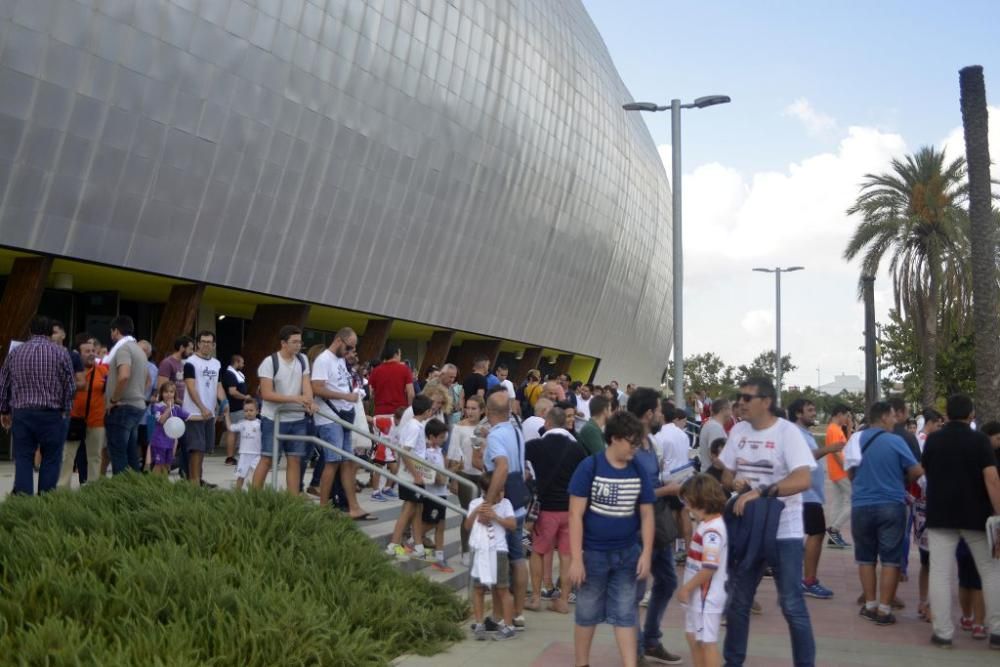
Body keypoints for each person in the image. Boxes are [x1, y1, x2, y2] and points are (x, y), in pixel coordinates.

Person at [719, 376, 816, 667]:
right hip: (748, 530)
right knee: (738, 602)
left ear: (766, 401)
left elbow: (803, 479)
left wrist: (761, 492)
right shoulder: (738, 431)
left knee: (791, 603)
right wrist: (735, 484)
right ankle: (732, 662)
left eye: (747, 398)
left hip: (784, 529)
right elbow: (724, 472)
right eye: (739, 397)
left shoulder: (787, 433)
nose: (740, 403)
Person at [567, 410, 654, 667]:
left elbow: (647, 515)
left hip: (627, 554)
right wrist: (575, 559)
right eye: (631, 442)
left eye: (638, 443)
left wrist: (646, 553)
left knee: (626, 613)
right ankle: (582, 663)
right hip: (593, 555)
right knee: (587, 613)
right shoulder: (590, 466)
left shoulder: (638, 469)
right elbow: (575, 514)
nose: (635, 449)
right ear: (615, 438)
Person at [922, 394, 1000, 649]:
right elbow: (991, 478)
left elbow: (927, 471)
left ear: (947, 414)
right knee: (990, 571)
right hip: (976, 516)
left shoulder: (933, 440)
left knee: (941, 573)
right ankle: (997, 631)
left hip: (940, 514)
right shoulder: (979, 441)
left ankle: (942, 633)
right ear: (971, 414)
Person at [843, 401, 923, 625]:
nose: (895, 420)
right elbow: (916, 471)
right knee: (890, 559)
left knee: (865, 558)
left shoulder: (856, 439)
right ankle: (885, 610)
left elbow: (849, 473)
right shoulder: (896, 441)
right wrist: (901, 480)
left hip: (861, 506)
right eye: (892, 416)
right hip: (891, 505)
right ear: (885, 417)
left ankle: (869, 605)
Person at [627, 389, 682, 665]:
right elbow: (635, 491)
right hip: (637, 529)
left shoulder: (650, 442)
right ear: (649, 413)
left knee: (668, 580)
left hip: (656, 525)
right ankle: (636, 649)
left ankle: (650, 640)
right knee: (635, 592)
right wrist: (667, 490)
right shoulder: (632, 445)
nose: (662, 414)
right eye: (659, 409)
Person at [0, 315, 75, 494]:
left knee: (23, 458)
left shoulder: (16, 353)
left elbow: (4, 383)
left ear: (30, 331)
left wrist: (4, 410)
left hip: (23, 413)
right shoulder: (61, 353)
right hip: (52, 414)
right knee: (51, 459)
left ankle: (24, 504)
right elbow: (70, 386)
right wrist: (65, 409)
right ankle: (45, 502)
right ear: (51, 332)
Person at [524, 406, 587, 614]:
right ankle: (562, 600)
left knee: (538, 551)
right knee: (567, 555)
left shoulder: (535, 446)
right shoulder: (577, 449)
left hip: (547, 509)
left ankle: (535, 597)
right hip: (571, 510)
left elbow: (522, 466)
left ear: (547, 423)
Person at [312, 328, 373, 519]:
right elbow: (317, 388)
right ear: (339, 340)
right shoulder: (324, 360)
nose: (350, 351)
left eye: (353, 348)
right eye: (349, 347)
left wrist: (351, 396)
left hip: (343, 415)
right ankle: (323, 507)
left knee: (346, 462)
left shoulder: (339, 360)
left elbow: (340, 384)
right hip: (330, 417)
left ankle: (353, 506)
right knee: (333, 462)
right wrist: (345, 395)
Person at [787, 398, 845, 600]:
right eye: (809, 410)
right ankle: (808, 580)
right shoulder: (795, 433)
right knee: (817, 533)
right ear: (797, 414)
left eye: (814, 409)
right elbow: (805, 456)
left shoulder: (804, 433)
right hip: (804, 494)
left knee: (808, 535)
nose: (814, 413)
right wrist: (829, 449)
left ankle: (800, 576)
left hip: (809, 494)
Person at [482, 390, 530, 631]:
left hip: (503, 507)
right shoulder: (515, 430)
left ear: (488, 412)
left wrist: (488, 503)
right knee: (518, 558)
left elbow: (501, 467)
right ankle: (518, 614)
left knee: (499, 562)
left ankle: (499, 615)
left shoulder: (495, 436)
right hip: (518, 505)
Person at [252, 325, 315, 493]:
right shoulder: (270, 361)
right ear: (283, 343)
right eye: (294, 342)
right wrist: (296, 398)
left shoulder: (302, 360)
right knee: (267, 458)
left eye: (300, 342)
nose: (298, 345)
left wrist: (309, 400)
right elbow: (266, 394)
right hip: (273, 418)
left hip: (297, 418)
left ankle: (292, 500)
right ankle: (252, 498)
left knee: (295, 460)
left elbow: (306, 384)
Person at [678, 474, 729, 667]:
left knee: (707, 642)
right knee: (693, 636)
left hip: (707, 596)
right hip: (699, 596)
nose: (687, 507)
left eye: (689, 502)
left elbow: (709, 567)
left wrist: (686, 588)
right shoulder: (707, 525)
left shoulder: (713, 530)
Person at [467, 470, 517, 642]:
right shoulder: (475, 503)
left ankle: (509, 625)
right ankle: (479, 623)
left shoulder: (506, 504)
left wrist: (495, 517)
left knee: (502, 588)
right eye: (498, 490)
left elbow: (512, 525)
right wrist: (477, 512)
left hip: (499, 550)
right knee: (479, 588)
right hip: (482, 551)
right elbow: (467, 525)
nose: (502, 493)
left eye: (503, 489)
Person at [386, 394, 433, 559]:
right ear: (427, 411)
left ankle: (418, 546)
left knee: (417, 510)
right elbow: (406, 452)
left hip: (413, 474)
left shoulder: (411, 425)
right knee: (408, 511)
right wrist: (416, 476)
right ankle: (393, 544)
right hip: (413, 476)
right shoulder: (415, 427)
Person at [58, 334, 108, 489]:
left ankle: (93, 487)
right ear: (78, 354)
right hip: (74, 418)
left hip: (97, 420)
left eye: (93, 350)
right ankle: (62, 489)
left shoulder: (104, 370)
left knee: (95, 456)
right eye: (87, 351)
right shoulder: (70, 371)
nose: (92, 353)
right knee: (67, 456)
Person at [104, 316, 148, 474]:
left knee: (118, 454)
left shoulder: (123, 349)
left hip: (123, 407)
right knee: (131, 455)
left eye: (112, 331)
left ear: (116, 331)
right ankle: (133, 490)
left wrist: (113, 399)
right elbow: (148, 379)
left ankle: (120, 492)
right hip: (138, 405)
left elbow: (124, 375)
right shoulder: (139, 350)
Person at [180, 331, 225, 485]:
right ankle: (193, 483)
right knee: (196, 449)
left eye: (209, 342)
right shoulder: (190, 362)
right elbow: (191, 388)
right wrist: (202, 407)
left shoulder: (216, 363)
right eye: (203, 341)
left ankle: (198, 479)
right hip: (194, 413)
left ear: (213, 345)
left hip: (209, 413)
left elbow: (218, 386)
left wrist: (224, 403)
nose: (206, 344)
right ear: (198, 344)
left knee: (204, 449)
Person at [447, 395, 486, 564]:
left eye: (474, 408)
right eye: (467, 408)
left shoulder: (486, 428)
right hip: (465, 475)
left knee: (482, 515)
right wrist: (453, 480)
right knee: (468, 513)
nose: (469, 412)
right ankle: (465, 550)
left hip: (483, 476)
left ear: (482, 410)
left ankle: (477, 547)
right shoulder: (459, 428)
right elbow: (454, 454)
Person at [419, 419, 453, 573]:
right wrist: (440, 478)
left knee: (441, 524)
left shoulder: (439, 451)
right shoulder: (426, 452)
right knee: (431, 522)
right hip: (432, 494)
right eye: (440, 437)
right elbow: (429, 474)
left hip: (442, 493)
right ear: (432, 437)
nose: (443, 440)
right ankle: (414, 539)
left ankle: (439, 556)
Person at [157, 335, 194, 477]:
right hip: (170, 411)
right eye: (190, 348)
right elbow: (161, 387)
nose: (191, 351)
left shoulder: (185, 364)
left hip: (182, 409)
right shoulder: (168, 363)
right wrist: (173, 405)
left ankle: (185, 474)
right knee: (166, 445)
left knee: (186, 444)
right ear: (181, 348)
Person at [824, 404, 853, 548]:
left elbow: (844, 447)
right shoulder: (834, 429)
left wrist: (848, 428)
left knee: (838, 501)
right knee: (854, 500)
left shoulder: (834, 429)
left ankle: (833, 535)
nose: (847, 419)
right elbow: (836, 452)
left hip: (836, 471)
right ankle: (834, 528)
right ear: (839, 414)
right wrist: (846, 468)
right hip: (841, 471)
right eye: (846, 415)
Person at [149, 382, 189, 475]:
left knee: (167, 466)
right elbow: (161, 420)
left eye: (171, 392)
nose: (169, 394)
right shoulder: (157, 406)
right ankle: (152, 484)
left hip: (170, 443)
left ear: (175, 394)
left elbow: (189, 416)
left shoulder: (177, 408)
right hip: (159, 442)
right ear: (161, 393)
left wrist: (205, 416)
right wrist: (169, 408)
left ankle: (164, 486)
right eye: (166, 392)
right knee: (159, 465)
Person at [368, 345, 415, 417]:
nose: (400, 357)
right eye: (400, 354)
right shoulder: (405, 369)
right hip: (399, 413)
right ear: (395, 354)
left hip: (380, 412)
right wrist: (410, 411)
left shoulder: (375, 371)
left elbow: (371, 393)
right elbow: (411, 393)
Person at [226, 398, 261, 491]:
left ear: (257, 411)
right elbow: (230, 427)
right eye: (246, 411)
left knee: (257, 474)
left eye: (251, 410)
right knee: (241, 475)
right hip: (244, 454)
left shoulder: (260, 424)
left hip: (257, 454)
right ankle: (237, 493)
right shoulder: (242, 423)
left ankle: (255, 492)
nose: (248, 413)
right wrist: (226, 415)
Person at [221, 354, 250, 466]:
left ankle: (234, 456)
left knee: (237, 433)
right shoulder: (230, 374)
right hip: (234, 408)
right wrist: (245, 397)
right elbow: (232, 392)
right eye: (242, 362)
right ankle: (230, 457)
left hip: (239, 408)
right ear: (236, 362)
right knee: (233, 432)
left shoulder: (237, 374)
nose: (243, 365)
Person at [698, 399, 731, 473]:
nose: (731, 413)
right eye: (730, 409)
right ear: (723, 410)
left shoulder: (713, 425)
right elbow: (714, 456)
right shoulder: (715, 427)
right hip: (713, 477)